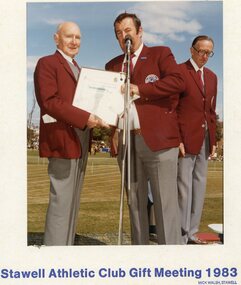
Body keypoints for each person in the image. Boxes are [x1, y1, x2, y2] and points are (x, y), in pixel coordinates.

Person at [105, 12, 185, 245]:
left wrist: (140, 89)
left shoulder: (160, 53)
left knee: (165, 203)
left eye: (128, 30)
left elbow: (177, 82)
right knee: (135, 203)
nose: (124, 36)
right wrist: (112, 129)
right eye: (119, 33)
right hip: (126, 142)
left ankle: (171, 262)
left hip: (158, 141)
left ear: (139, 32)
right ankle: (139, 256)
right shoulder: (112, 65)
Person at [34, 22, 106, 246]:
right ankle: (55, 254)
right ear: (57, 38)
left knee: (72, 201)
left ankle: (66, 249)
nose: (74, 41)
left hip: (81, 138)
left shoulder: (80, 69)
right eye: (69, 36)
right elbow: (49, 101)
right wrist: (86, 118)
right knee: (61, 201)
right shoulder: (47, 63)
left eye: (78, 37)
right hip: (63, 139)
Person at [177, 35, 217, 244]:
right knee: (184, 189)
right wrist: (177, 139)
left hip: (205, 139)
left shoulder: (212, 77)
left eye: (209, 53)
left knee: (199, 188)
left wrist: (214, 140)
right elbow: (171, 109)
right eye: (201, 51)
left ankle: (192, 232)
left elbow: (211, 111)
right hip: (185, 140)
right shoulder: (179, 71)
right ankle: (181, 236)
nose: (204, 56)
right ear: (191, 50)